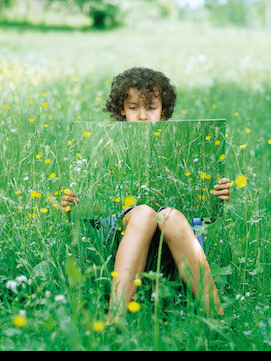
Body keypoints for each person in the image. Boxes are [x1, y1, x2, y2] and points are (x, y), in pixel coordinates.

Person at [60, 67, 231, 321]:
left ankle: (218, 318)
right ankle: (114, 319)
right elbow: (90, 212)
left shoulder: (182, 145)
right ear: (121, 109)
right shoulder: (104, 145)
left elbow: (201, 217)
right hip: (121, 229)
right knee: (143, 214)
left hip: (173, 233)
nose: (142, 116)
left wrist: (215, 196)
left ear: (163, 111)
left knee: (169, 216)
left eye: (150, 108)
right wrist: (72, 203)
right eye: (133, 107)